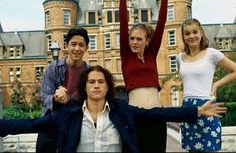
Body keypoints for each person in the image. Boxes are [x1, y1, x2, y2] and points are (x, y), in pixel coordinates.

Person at [0, 65, 227, 153]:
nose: (96, 85)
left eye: (101, 81)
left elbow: (157, 114)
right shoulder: (68, 115)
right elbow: (30, 124)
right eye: (91, 82)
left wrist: (197, 112)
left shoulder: (122, 110)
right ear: (85, 87)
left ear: (108, 86)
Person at [176, 18, 236, 152]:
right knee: (191, 150)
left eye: (195, 32)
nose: (191, 36)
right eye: (187, 33)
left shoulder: (212, 54)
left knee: (210, 149)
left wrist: (216, 84)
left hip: (207, 107)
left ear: (201, 33)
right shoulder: (179, 58)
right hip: (188, 109)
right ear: (183, 36)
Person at [119, 0, 169, 151]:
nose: (134, 42)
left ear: (147, 41)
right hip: (135, 117)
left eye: (139, 39)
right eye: (132, 38)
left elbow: (161, 23)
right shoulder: (126, 56)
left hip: (157, 116)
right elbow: (123, 20)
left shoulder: (151, 55)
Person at [36, 28, 90, 153]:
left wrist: (69, 99)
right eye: (73, 44)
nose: (77, 49)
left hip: (75, 121)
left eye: (81, 45)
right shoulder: (53, 68)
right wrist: (56, 98)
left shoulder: (89, 73)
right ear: (67, 46)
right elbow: (45, 97)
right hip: (52, 118)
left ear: (87, 48)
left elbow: (89, 101)